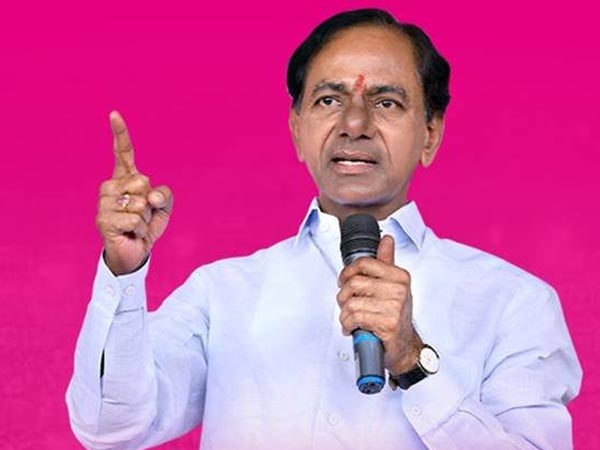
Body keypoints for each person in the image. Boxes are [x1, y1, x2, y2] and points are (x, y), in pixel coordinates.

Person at [66, 8, 582, 450]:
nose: (354, 124)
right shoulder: (220, 295)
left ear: (430, 134)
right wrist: (123, 272)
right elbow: (110, 429)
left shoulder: (513, 303)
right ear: (297, 130)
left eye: (386, 102)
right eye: (329, 101)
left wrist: (412, 361)